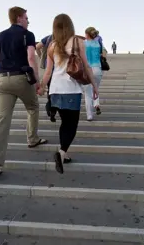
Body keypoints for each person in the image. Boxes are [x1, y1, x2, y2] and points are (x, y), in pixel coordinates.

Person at [0, 6, 48, 178]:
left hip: (3, 80)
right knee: (33, 107)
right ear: (19, 18)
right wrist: (36, 82)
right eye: (27, 18)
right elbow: (30, 57)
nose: (28, 21)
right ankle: (32, 139)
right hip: (22, 78)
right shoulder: (28, 35)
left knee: (1, 119)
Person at [39, 13, 99, 174]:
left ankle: (51, 107)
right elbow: (86, 66)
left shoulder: (51, 45)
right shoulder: (78, 41)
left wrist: (42, 87)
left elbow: (48, 72)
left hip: (55, 90)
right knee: (71, 126)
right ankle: (61, 152)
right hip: (71, 89)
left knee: (64, 123)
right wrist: (94, 86)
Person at [83, 27, 103, 121]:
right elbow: (101, 54)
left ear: (87, 34)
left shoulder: (84, 43)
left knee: (87, 94)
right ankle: (96, 104)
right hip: (98, 69)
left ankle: (89, 115)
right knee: (95, 89)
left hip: (88, 69)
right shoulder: (97, 43)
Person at [36, 35, 57, 122]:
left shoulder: (49, 38)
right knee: (57, 91)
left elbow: (37, 47)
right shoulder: (66, 37)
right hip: (61, 71)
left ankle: (50, 107)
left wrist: (41, 57)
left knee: (51, 90)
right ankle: (53, 109)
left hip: (49, 67)